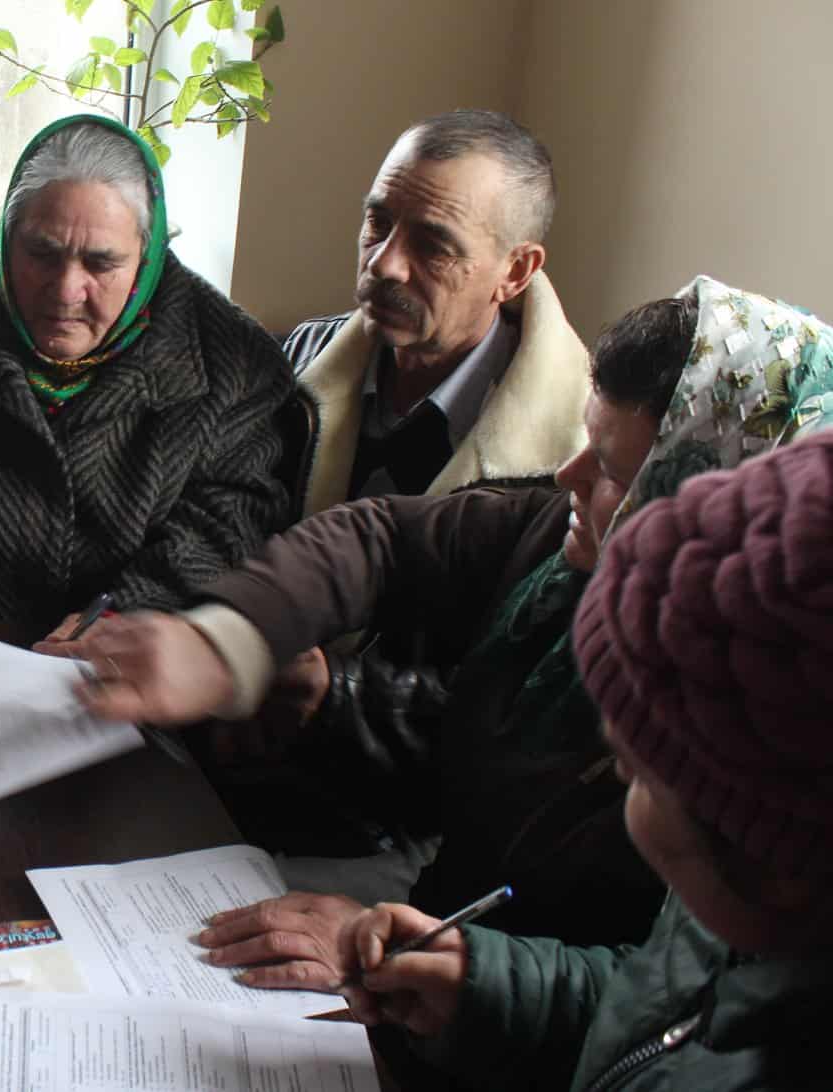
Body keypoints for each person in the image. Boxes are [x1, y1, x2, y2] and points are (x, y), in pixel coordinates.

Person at [65, 278, 833, 988]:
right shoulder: (563, 538)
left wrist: (455, 965)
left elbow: (656, 996)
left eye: (612, 469)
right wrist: (226, 642)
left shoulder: (756, 732)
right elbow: (382, 539)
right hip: (445, 927)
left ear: (701, 503)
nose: (567, 474)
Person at [338, 428, 833, 1091]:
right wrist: (486, 989)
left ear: (776, 863)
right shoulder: (746, 922)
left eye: (644, 775)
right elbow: (666, 1008)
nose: (615, 767)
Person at [0, 115, 294, 647]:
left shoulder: (235, 363)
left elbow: (227, 528)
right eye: (42, 253)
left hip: (124, 677)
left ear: (147, 255)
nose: (65, 291)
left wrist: (130, 613)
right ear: (6, 238)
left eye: (101, 262)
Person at [284, 109, 588, 515]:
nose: (383, 264)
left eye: (432, 246)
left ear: (515, 272)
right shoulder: (298, 358)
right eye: (378, 222)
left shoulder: (579, 447)